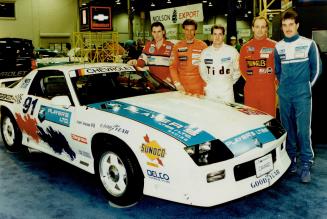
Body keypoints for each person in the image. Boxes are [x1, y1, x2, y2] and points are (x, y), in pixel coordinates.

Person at [274, 9, 322, 183]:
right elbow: (277, 71)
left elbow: (317, 70)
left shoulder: (309, 44)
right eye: (285, 25)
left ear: (297, 25)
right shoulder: (278, 46)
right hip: (285, 95)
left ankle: (307, 162)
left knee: (303, 130)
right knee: (288, 129)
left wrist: (306, 88)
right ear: (282, 27)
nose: (288, 28)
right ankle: (292, 158)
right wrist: (284, 88)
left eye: (291, 25)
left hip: (302, 95)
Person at [239, 16, 277, 117]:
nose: (260, 30)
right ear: (252, 28)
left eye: (263, 27)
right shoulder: (245, 47)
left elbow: (280, 69)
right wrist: (253, 80)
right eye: (257, 27)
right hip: (251, 90)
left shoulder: (275, 46)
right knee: (251, 121)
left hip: (268, 90)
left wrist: (274, 83)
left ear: (267, 29)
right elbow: (242, 68)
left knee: (269, 121)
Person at [199, 25, 241, 102]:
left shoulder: (232, 51)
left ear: (223, 36)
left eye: (220, 34)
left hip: (227, 91)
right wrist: (210, 82)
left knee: (228, 112)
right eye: (215, 34)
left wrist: (230, 82)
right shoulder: (205, 52)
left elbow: (238, 70)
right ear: (211, 36)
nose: (217, 37)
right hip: (211, 90)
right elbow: (202, 71)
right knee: (211, 112)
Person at [169, 19, 208, 95]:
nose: (189, 33)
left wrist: (206, 86)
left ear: (195, 31)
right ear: (183, 30)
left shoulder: (203, 45)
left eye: (192, 30)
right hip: (182, 87)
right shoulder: (177, 46)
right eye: (187, 30)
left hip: (199, 86)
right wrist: (177, 84)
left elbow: (207, 67)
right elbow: (173, 67)